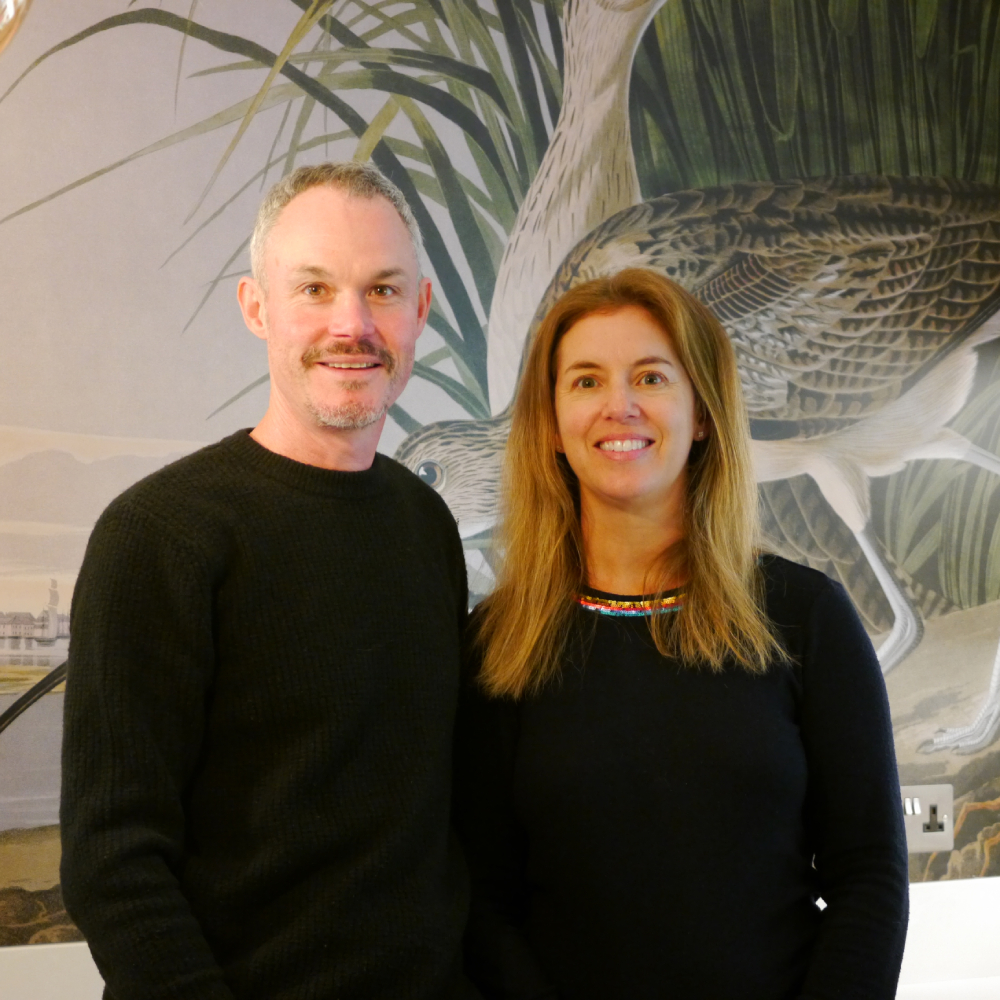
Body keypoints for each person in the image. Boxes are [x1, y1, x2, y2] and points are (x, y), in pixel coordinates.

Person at [61, 162, 479, 1000]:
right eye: (315, 289)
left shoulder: (424, 524)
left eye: (383, 290)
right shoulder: (160, 536)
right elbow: (115, 860)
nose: (352, 324)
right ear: (257, 307)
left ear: (420, 310)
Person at [454, 268, 909, 999]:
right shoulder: (498, 644)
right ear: (550, 425)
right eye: (586, 381)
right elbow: (482, 901)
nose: (619, 406)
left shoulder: (805, 615)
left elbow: (870, 877)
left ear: (701, 413)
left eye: (651, 377)